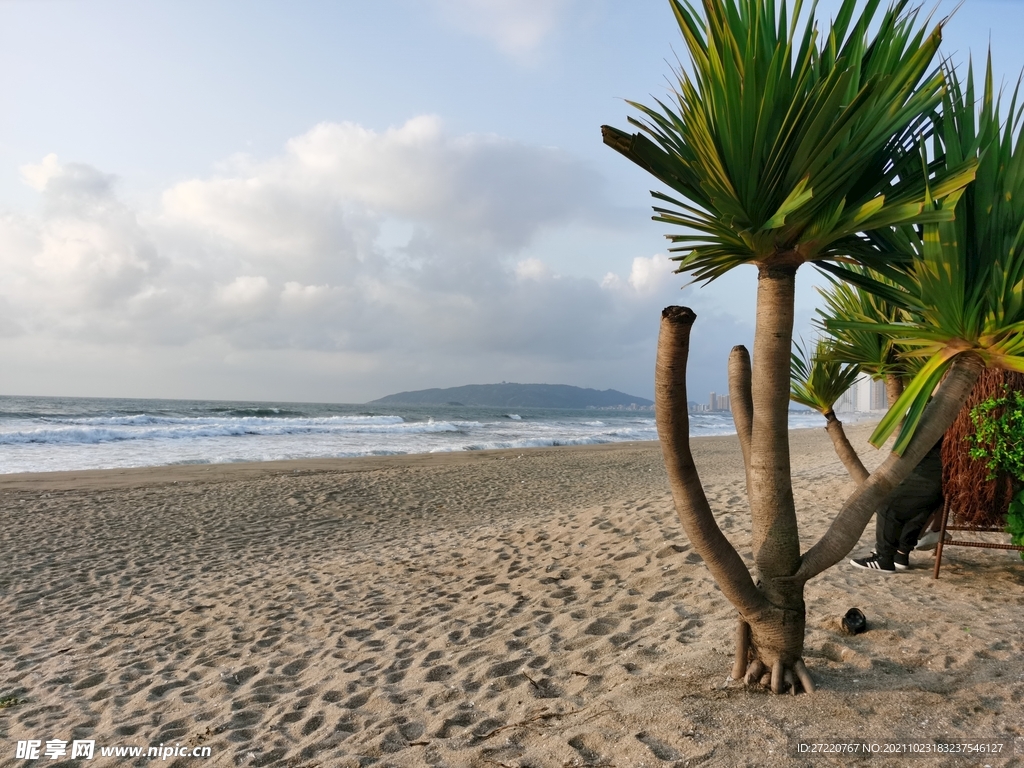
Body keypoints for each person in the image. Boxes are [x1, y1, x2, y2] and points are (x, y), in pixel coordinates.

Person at [850, 439, 943, 573]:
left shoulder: (939, 420)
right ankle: (901, 555)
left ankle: (883, 558)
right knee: (918, 511)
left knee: (886, 505)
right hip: (940, 480)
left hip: (930, 475)